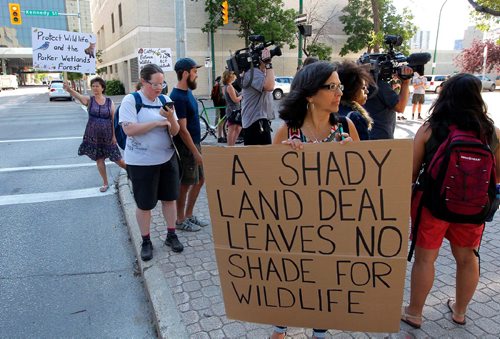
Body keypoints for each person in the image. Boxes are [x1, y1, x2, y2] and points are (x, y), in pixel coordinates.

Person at [401, 73, 500, 329]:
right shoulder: (491, 132)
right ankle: (459, 311)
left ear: (445, 96)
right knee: (468, 258)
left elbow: (412, 172)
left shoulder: (430, 128)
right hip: (473, 207)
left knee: (425, 259)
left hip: (432, 205)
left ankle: (414, 312)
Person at [271, 61, 359, 339]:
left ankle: (319, 331)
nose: (339, 93)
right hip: (295, 231)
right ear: (310, 94)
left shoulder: (346, 127)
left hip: (334, 230)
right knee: (293, 278)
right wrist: (283, 158)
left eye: (340, 86)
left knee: (325, 280)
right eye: (331, 87)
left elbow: (365, 183)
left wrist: (354, 157)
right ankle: (281, 327)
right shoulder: (288, 132)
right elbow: (265, 186)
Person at [119, 63, 183, 261]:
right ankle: (146, 240)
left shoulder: (166, 99)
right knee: (145, 204)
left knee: (170, 199)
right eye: (155, 84)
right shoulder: (131, 100)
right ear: (143, 82)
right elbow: (128, 130)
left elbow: (175, 131)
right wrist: (157, 122)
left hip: (166, 158)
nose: (159, 88)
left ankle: (171, 234)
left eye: (162, 84)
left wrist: (170, 118)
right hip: (141, 162)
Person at [64, 77, 126, 192]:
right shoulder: (89, 100)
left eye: (97, 86)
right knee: (99, 159)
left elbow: (113, 120)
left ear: (102, 88)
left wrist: (114, 136)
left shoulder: (109, 102)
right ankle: (105, 183)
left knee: (118, 159)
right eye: (93, 86)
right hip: (94, 136)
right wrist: (69, 90)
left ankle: (133, 173)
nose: (95, 88)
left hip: (108, 135)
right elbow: (79, 97)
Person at [170, 58, 209, 232]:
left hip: (195, 144)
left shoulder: (188, 93)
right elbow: (182, 130)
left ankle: (189, 215)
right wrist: (195, 152)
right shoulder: (177, 97)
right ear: (185, 73)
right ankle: (179, 220)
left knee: (200, 180)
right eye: (194, 71)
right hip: (187, 147)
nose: (196, 74)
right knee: (185, 184)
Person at [364, 65, 413, 140]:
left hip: (367, 135)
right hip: (381, 138)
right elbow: (400, 107)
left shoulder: (364, 85)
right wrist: (405, 83)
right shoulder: (380, 85)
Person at [241, 48, 274, 145]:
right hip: (255, 122)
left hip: (257, 121)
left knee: (263, 157)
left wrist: (266, 66)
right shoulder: (252, 73)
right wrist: (268, 64)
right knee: (259, 157)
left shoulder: (257, 73)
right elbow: (269, 86)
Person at [337, 60, 374, 140]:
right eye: (363, 88)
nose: (367, 91)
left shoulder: (332, 111)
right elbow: (364, 149)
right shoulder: (355, 117)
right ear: (352, 90)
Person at [222, 70, 242, 146]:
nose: (234, 76)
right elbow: (235, 99)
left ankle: (231, 146)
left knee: (237, 128)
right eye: (233, 75)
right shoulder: (229, 87)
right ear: (230, 77)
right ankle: (230, 147)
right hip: (233, 110)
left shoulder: (225, 86)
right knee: (232, 129)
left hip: (232, 109)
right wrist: (242, 96)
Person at [210, 75, 227, 143]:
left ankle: (216, 129)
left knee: (219, 118)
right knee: (221, 119)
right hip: (221, 103)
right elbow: (223, 95)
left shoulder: (217, 85)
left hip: (217, 103)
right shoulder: (221, 85)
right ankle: (219, 134)